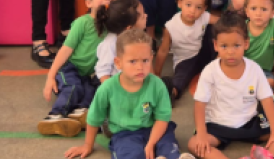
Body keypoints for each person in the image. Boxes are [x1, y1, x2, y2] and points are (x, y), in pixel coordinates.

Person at [65, 29, 196, 159]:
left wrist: (151, 143)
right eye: (133, 61)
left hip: (155, 128)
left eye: (145, 61)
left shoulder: (157, 84)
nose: (140, 67)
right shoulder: (107, 88)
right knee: (131, 154)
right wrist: (88, 145)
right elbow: (94, 118)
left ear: (151, 58)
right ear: (118, 63)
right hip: (125, 134)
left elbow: (162, 119)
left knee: (168, 147)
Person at [188, 12, 274, 159]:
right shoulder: (210, 71)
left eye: (236, 45)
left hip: (249, 122)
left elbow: (267, 100)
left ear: (246, 43)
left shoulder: (254, 68)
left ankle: (267, 156)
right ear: (215, 45)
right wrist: (201, 134)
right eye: (224, 46)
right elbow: (200, 105)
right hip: (218, 125)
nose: (230, 52)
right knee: (194, 143)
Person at [38, 0, 116, 137]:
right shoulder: (83, 22)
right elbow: (65, 50)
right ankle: (54, 116)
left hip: (88, 74)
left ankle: (79, 114)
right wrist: (51, 76)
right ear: (89, 3)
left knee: (92, 90)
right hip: (68, 68)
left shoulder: (112, 25)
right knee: (74, 87)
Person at [155, 0, 217, 102]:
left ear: (204, 9)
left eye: (198, 7)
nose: (193, 11)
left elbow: (221, 21)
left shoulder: (204, 16)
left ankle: (220, 65)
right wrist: (157, 73)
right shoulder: (171, 27)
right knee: (182, 76)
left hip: (204, 53)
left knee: (215, 28)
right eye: (188, 5)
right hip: (185, 59)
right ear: (180, 3)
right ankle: (171, 92)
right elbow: (163, 51)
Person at [94, 0, 149, 82]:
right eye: (142, 16)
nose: (146, 15)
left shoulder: (139, 38)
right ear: (129, 28)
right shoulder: (110, 44)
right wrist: (113, 93)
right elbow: (103, 72)